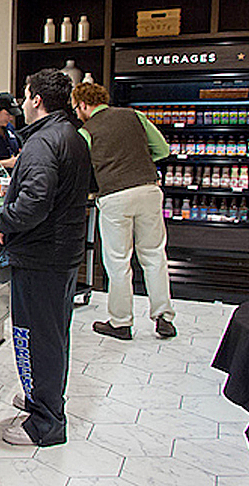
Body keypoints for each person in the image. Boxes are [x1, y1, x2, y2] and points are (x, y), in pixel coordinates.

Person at [0, 68, 91, 447]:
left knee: (35, 337)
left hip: (40, 254)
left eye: (25, 94)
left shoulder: (43, 141)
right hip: (61, 252)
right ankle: (42, 400)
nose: (21, 102)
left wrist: (1, 219)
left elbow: (33, 203)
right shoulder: (72, 134)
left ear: (36, 99)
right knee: (52, 334)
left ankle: (45, 423)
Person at [71, 82, 176, 340]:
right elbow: (163, 150)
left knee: (118, 261)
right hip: (149, 190)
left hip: (114, 196)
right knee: (154, 255)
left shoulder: (86, 131)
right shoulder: (134, 116)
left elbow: (82, 167)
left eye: (76, 108)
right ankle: (163, 317)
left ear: (83, 104)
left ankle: (120, 323)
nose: (76, 113)